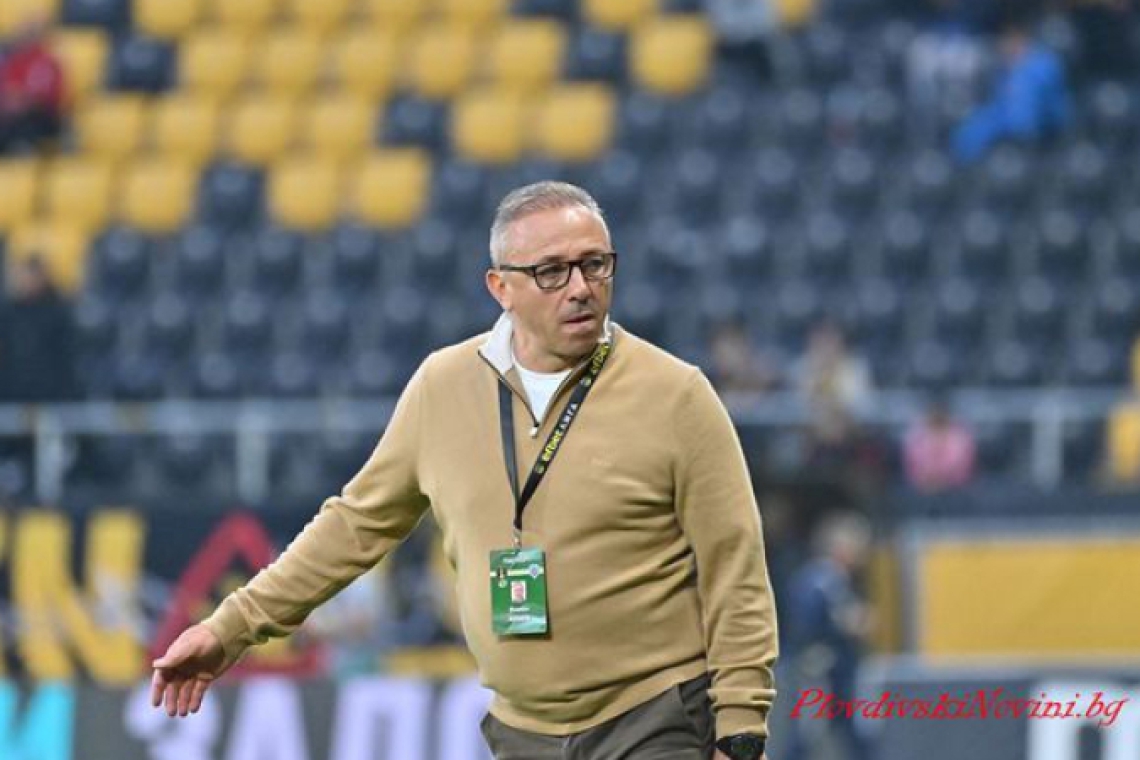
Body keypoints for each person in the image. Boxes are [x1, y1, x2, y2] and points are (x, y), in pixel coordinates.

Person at [151, 182, 779, 760]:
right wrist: (230, 628)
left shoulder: (676, 395)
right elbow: (353, 526)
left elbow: (735, 563)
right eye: (552, 271)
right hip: (520, 732)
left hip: (655, 718)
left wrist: (741, 727)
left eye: (595, 264)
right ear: (500, 287)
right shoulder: (442, 386)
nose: (581, 287)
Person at [784, 512, 874, 760]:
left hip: (836, 671)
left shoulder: (831, 579)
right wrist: (848, 624)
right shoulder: (821, 579)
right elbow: (810, 624)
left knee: (849, 733)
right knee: (807, 734)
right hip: (820, 670)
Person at [951, 6, 1071, 162]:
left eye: (1010, 39)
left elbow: (1044, 111)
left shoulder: (1043, 64)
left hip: (1041, 136)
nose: (1004, 45)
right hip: (1002, 137)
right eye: (1003, 39)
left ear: (1023, 38)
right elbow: (992, 114)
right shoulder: (1003, 70)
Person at [0, 256, 76, 402]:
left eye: (28, 275)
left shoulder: (57, 312)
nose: (23, 280)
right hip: (13, 393)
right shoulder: (9, 313)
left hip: (50, 394)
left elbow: (64, 358)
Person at [0, 17, 66, 154]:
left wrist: (21, 101)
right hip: (14, 116)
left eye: (31, 33)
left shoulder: (48, 62)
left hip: (39, 116)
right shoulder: (16, 62)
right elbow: (8, 91)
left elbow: (47, 98)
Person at [903, 397, 976, 492]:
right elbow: (912, 464)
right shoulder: (916, 435)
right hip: (922, 488)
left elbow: (964, 467)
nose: (937, 415)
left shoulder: (961, 435)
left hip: (956, 488)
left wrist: (943, 477)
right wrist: (927, 477)